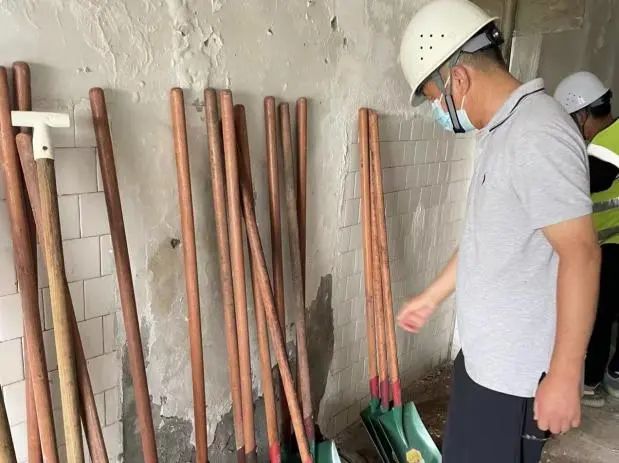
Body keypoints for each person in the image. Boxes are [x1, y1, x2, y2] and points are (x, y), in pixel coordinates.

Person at [397, 1, 601, 462]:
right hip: (484, 363)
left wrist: (565, 375)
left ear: (459, 80)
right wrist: (431, 298)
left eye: (434, 97)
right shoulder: (502, 131)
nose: (438, 109)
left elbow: (582, 254)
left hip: (513, 382)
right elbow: (486, 240)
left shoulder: (537, 134)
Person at [554, 71, 619, 407]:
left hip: (612, 244)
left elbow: (584, 184)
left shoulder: (606, 144)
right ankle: (615, 373)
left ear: (582, 115)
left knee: (599, 310)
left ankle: (591, 381)